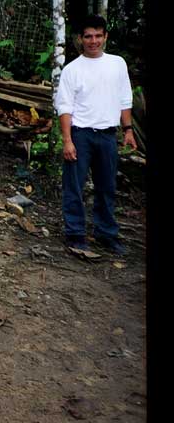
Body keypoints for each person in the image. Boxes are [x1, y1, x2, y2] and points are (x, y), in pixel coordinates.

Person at [53, 14, 137, 255]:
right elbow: (65, 106)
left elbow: (124, 98)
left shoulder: (117, 64)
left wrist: (128, 130)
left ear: (105, 37)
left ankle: (106, 234)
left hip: (108, 135)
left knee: (107, 186)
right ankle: (76, 233)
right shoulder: (72, 70)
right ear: (80, 39)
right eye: (88, 36)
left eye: (98, 36)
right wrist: (67, 140)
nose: (93, 41)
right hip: (80, 134)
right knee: (75, 187)